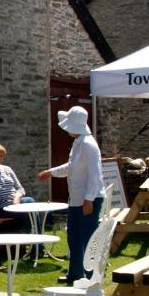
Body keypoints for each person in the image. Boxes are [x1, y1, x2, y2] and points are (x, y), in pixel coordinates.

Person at [37, 106, 103, 285]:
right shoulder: (79, 142)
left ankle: (90, 277)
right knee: (73, 236)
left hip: (87, 199)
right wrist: (51, 172)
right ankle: (75, 273)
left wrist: (89, 199)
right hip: (77, 199)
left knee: (87, 238)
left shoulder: (88, 145)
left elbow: (94, 175)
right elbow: (71, 167)